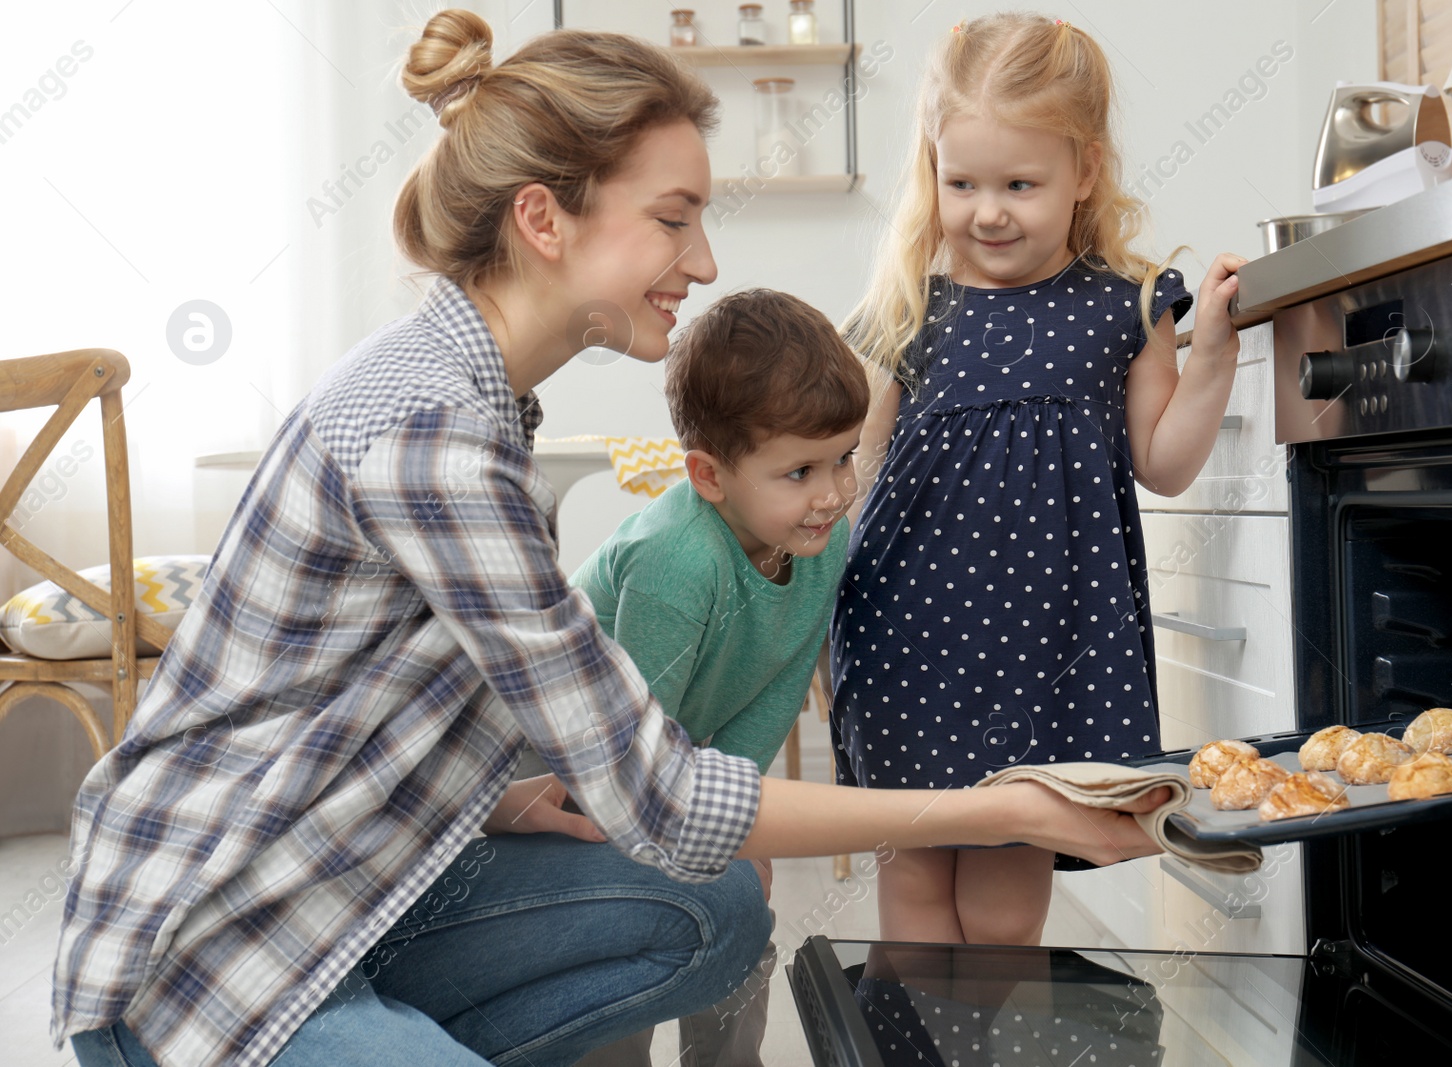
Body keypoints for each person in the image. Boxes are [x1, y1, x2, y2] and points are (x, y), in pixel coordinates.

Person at [51, 12, 1167, 1067]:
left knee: (714, 908)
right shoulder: (430, 425)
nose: (706, 260)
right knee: (695, 857)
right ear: (544, 220)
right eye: (675, 217)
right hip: (210, 949)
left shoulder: (478, 399)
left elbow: (350, 692)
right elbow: (669, 797)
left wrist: (496, 795)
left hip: (354, 887)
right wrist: (1004, 805)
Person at [831, 11, 1245, 948]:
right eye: (961, 181)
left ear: (1085, 172)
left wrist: (1211, 348)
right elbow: (849, 476)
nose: (988, 210)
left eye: (1021, 183)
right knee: (916, 892)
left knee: (1005, 908)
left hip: (1049, 656)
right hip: (906, 638)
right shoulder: (906, 304)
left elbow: (1166, 462)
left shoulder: (1129, 304)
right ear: (930, 170)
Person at [567, 287, 867, 1065]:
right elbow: (634, 743)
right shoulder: (679, 560)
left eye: (844, 458)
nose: (832, 493)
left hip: (668, 762)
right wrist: (711, 832)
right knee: (631, 929)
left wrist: (737, 822)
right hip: (581, 769)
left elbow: (781, 684)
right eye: (800, 470)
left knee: (743, 912)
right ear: (708, 474)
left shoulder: (818, 541)